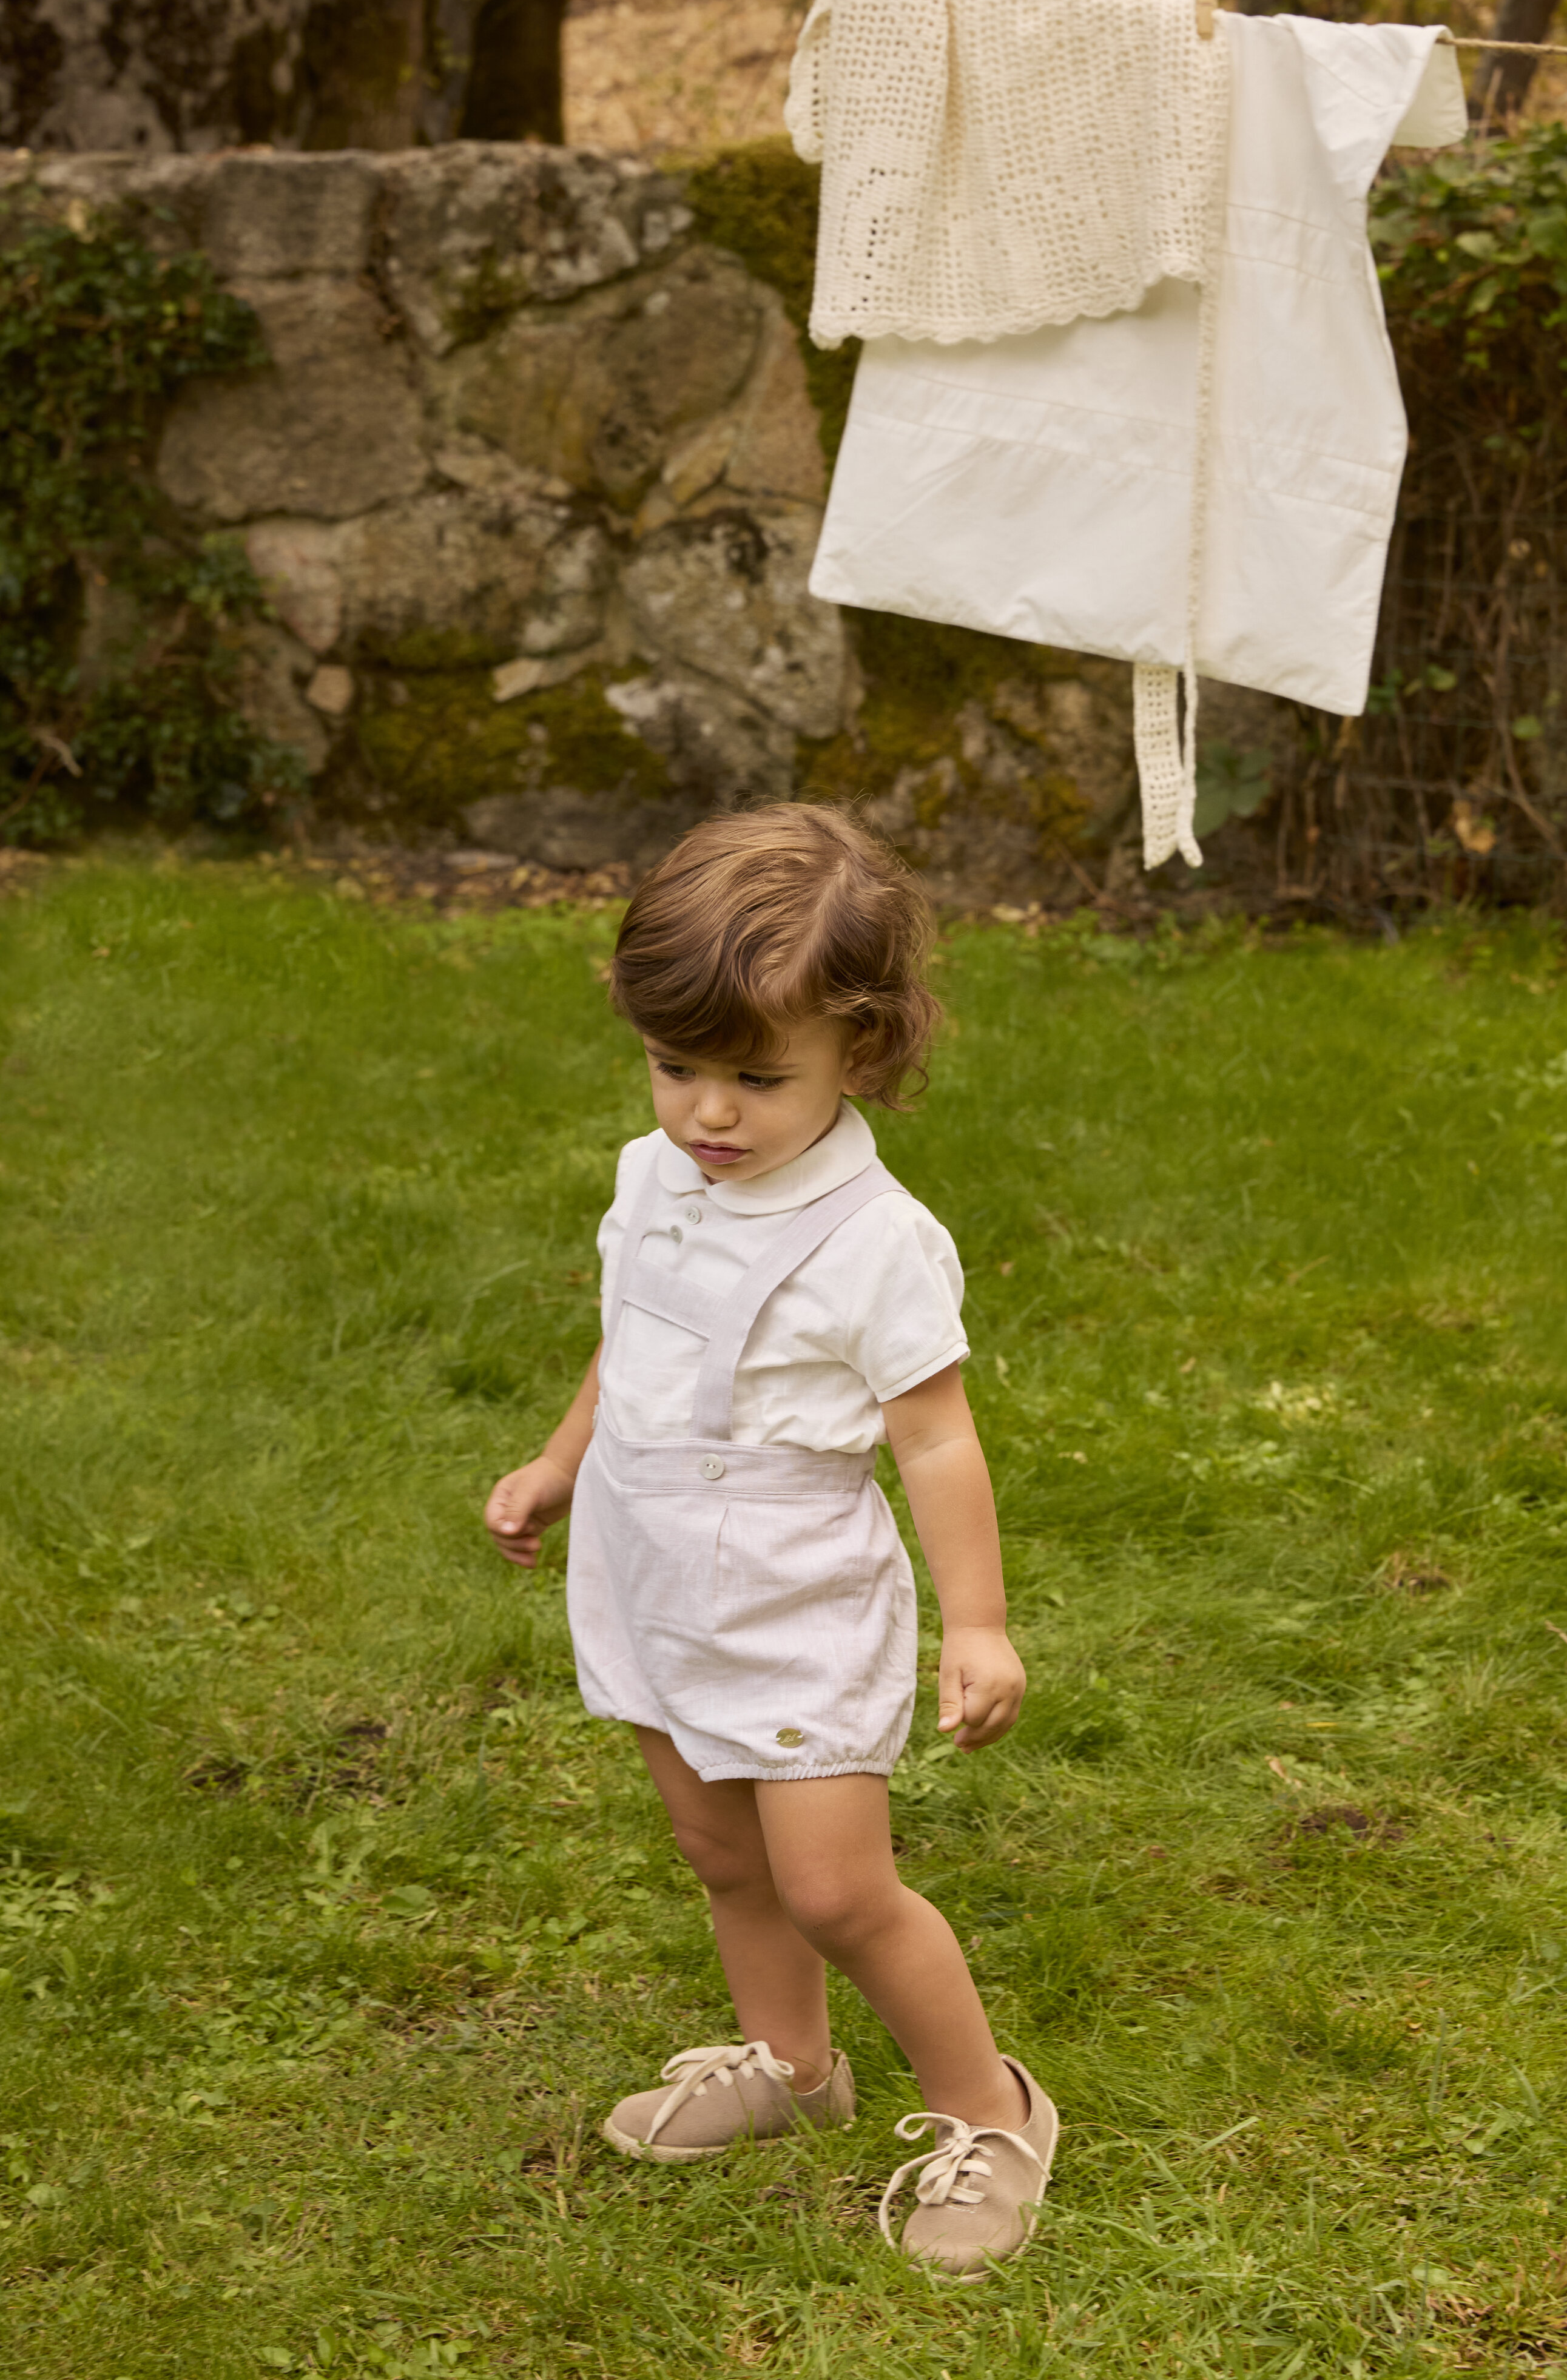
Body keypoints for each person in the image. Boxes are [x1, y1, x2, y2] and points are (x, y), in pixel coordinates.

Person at [483, 803, 1057, 2276]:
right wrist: (560, 1460)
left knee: (833, 1885)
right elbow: (634, 1342)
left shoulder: (873, 1241)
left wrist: (976, 1621)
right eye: (676, 1066)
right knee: (716, 1846)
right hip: (650, 1565)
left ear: (858, 1054)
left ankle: (989, 2110)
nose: (706, 1114)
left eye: (754, 1076)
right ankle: (790, 2064)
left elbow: (934, 1436)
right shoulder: (654, 1175)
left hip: (790, 1589)